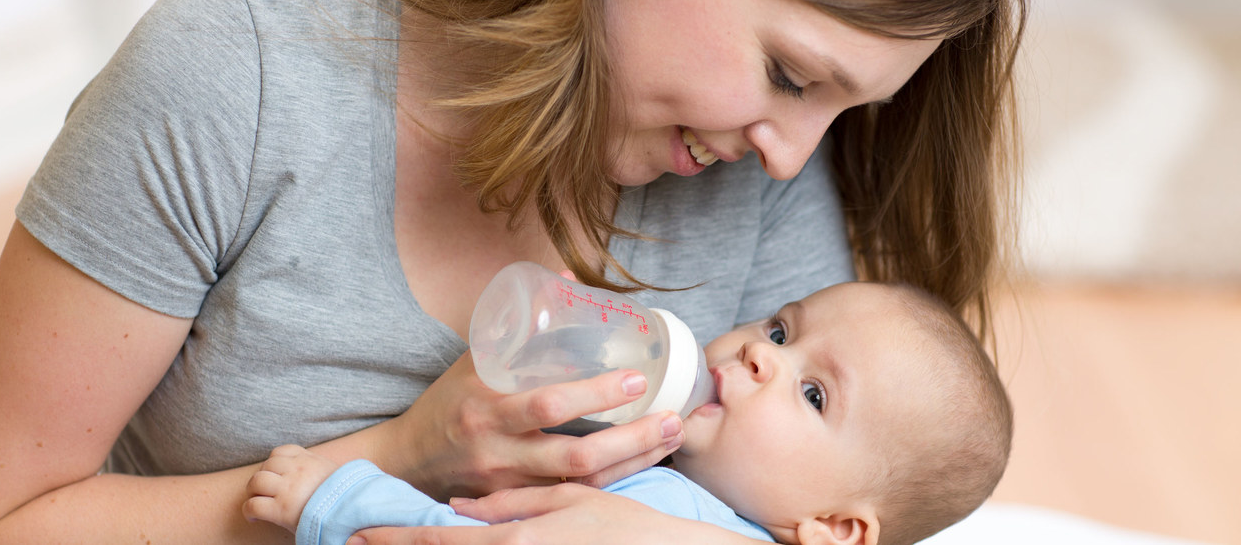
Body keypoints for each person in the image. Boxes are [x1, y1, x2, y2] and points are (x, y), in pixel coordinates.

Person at [0, 0, 1026, 543]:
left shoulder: (751, 174)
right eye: (790, 77)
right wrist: (400, 455)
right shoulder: (242, 69)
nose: (793, 157)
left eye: (844, 108)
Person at [243, 282, 1013, 545]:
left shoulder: (664, 514)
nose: (759, 353)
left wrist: (329, 498)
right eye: (780, 328)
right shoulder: (666, 491)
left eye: (813, 394)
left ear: (837, 529)